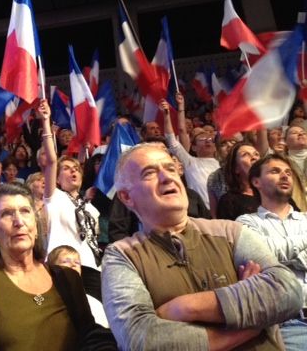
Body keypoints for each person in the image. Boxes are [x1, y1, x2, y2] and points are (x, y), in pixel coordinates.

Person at [103, 143, 302, 350]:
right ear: (126, 197)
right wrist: (249, 324)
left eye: (171, 168)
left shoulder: (231, 231)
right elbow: (139, 339)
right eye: (149, 173)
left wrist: (184, 308)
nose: (167, 177)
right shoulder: (121, 255)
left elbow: (287, 291)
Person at [0, 183, 116, 350]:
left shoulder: (68, 278)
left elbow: (90, 337)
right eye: (6, 214)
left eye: (25, 211)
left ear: (36, 226)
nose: (19, 221)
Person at [237, 154, 307, 350]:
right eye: (275, 171)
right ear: (256, 182)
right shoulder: (245, 223)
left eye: (288, 173)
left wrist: (281, 259)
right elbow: (262, 257)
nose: (285, 176)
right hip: (287, 322)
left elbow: (274, 254)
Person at [38, 100, 103, 300]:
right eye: (66, 168)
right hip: (62, 264)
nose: (73, 171)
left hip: (92, 267)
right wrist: (46, 122)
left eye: (76, 168)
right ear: (57, 178)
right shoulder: (54, 197)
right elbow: (50, 161)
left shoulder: (91, 209)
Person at [216, 142, 262, 220]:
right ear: (235, 168)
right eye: (245, 155)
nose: (254, 157)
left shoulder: (276, 193)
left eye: (256, 154)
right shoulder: (228, 201)